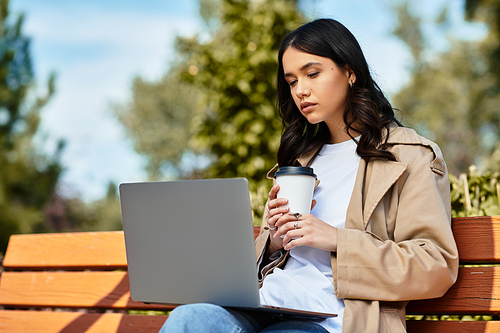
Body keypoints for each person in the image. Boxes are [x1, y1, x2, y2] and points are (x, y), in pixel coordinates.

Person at [159, 18, 458, 333]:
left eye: (312, 74)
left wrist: (336, 239)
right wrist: (274, 242)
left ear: (350, 71)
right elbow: (271, 260)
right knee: (188, 319)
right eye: (291, 81)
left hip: (332, 320)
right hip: (268, 304)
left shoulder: (408, 155)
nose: (301, 91)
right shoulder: (299, 159)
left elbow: (435, 265)